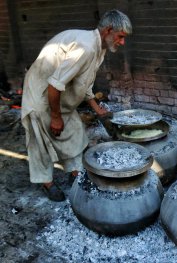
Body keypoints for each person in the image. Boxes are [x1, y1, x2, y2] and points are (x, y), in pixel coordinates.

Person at [21, 10, 132, 202]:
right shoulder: (86, 48)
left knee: (74, 132)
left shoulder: (99, 49)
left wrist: (97, 110)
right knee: (41, 142)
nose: (122, 42)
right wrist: (56, 117)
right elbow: (54, 85)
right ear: (108, 30)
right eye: (120, 37)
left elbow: (85, 83)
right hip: (41, 95)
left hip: (57, 95)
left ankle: (75, 173)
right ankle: (46, 183)